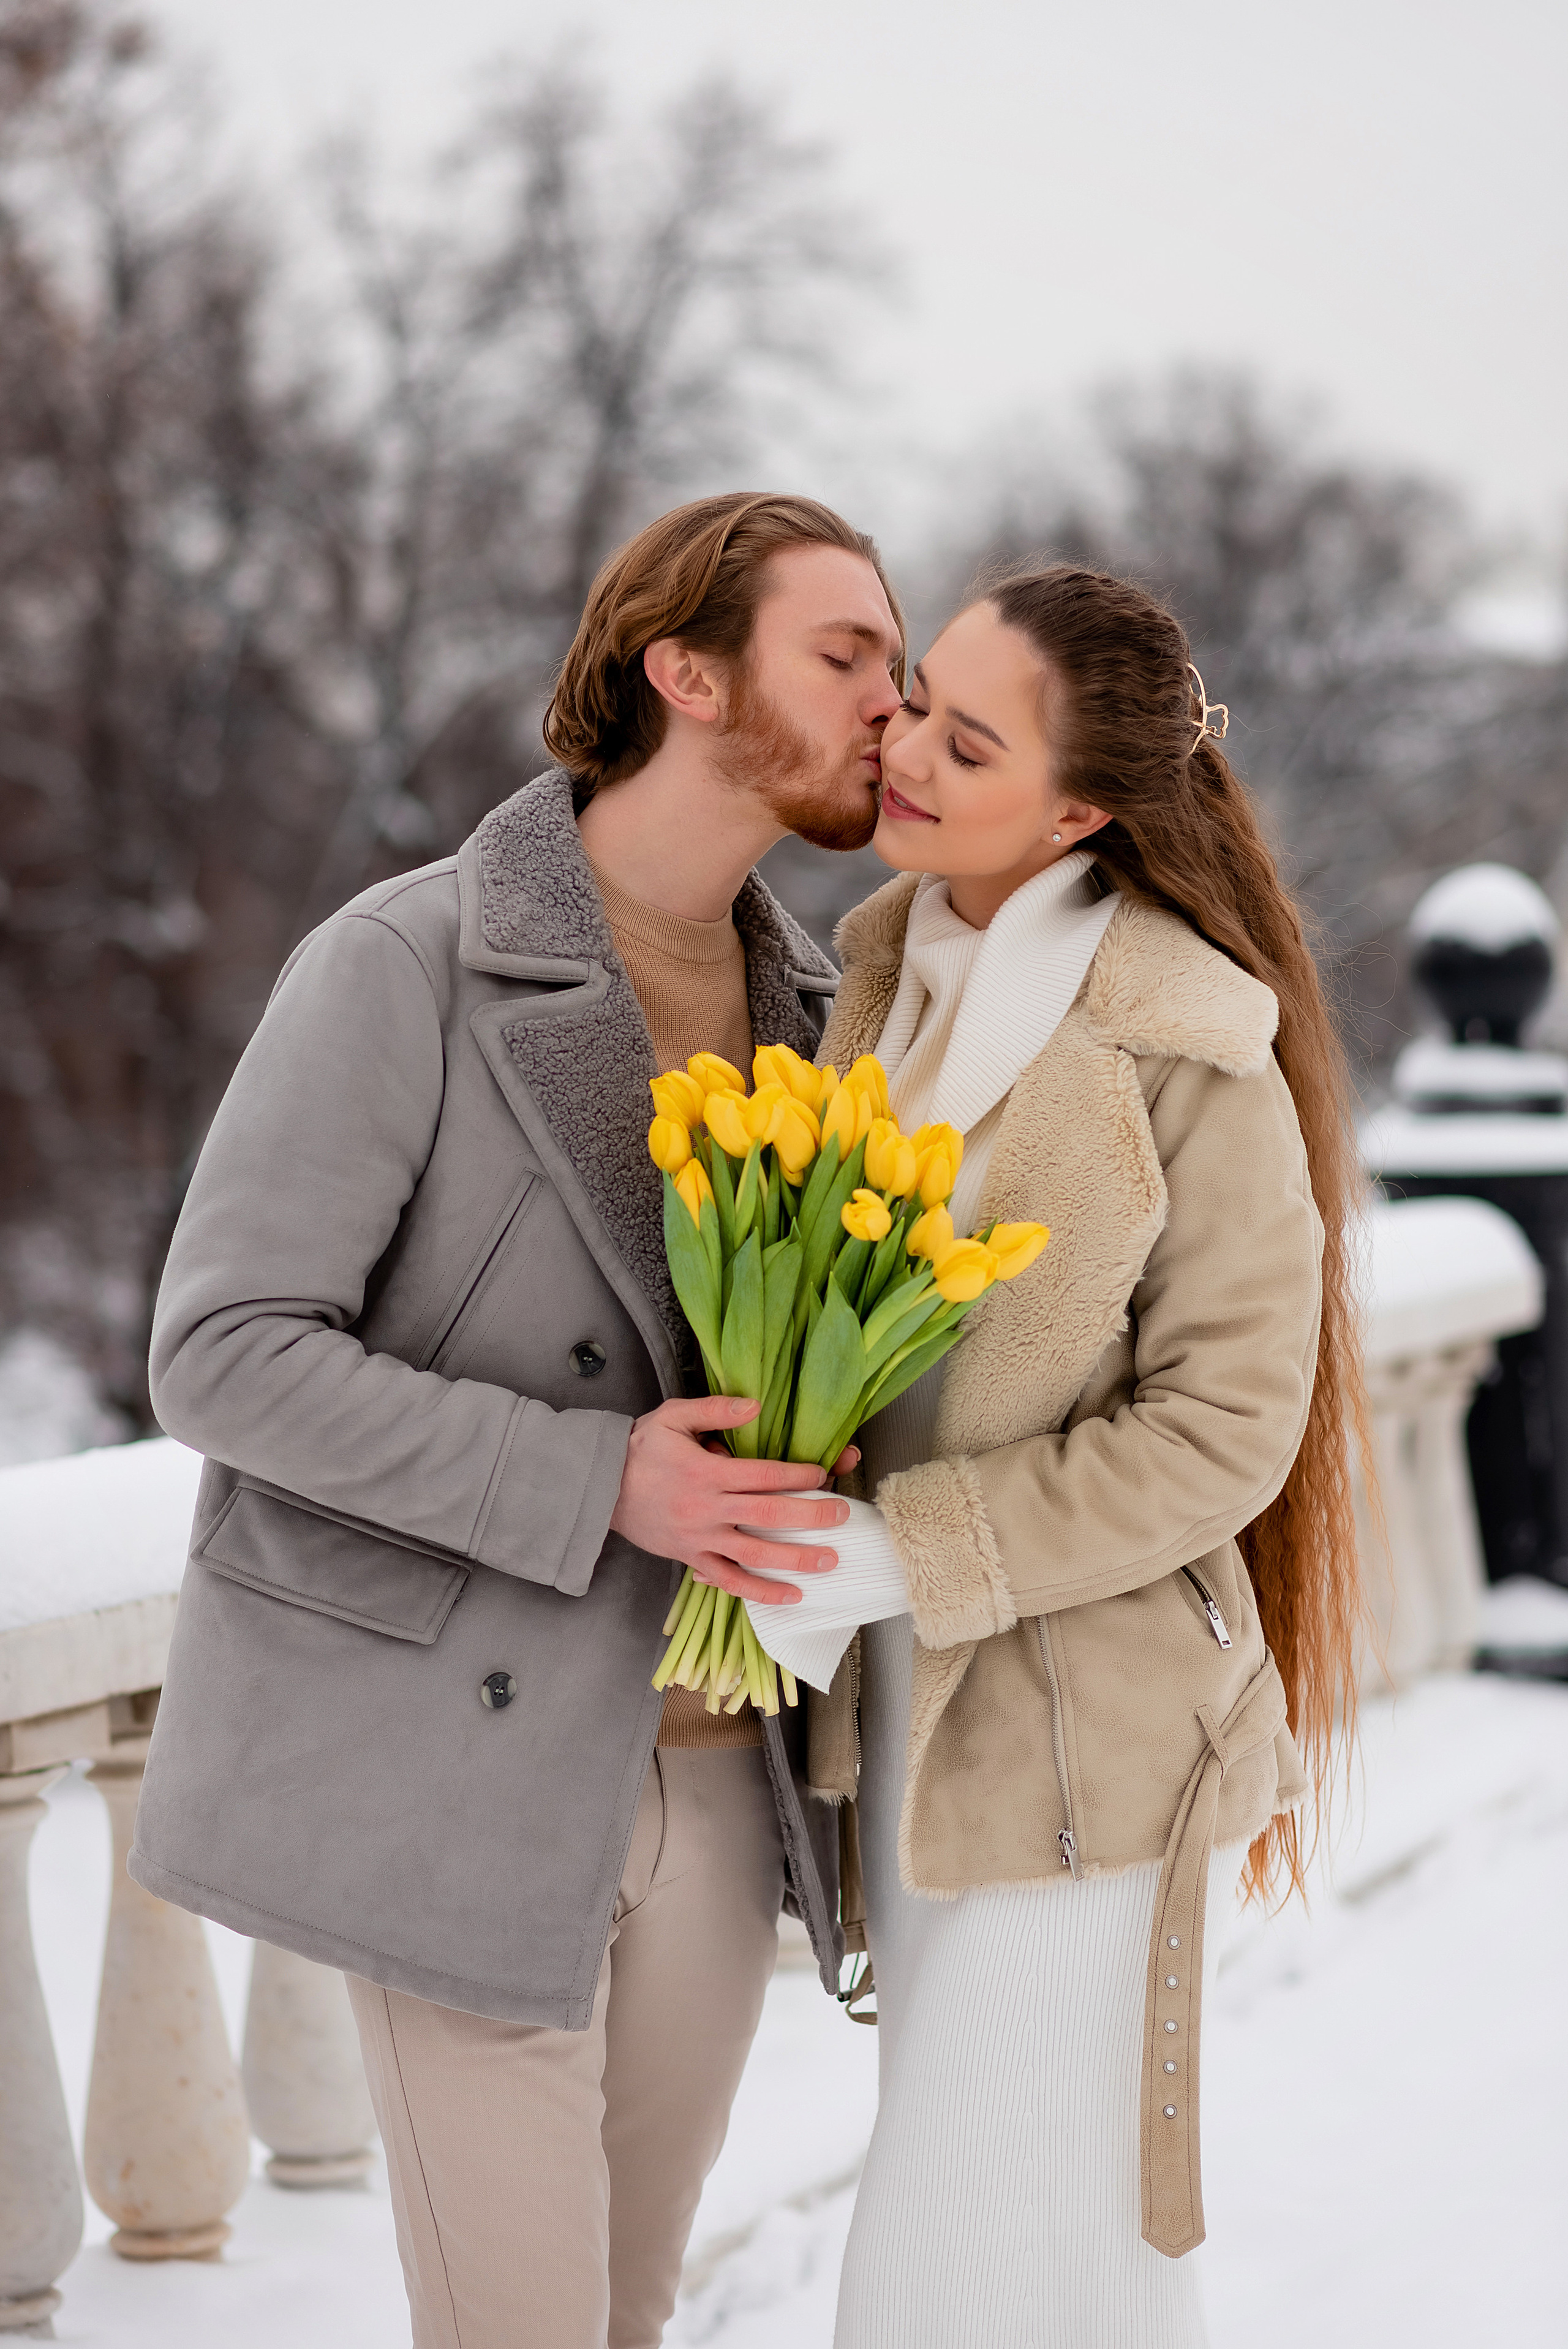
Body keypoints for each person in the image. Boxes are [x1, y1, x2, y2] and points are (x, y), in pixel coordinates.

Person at [130, 492, 905, 2349]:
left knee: (622, 2319)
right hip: (466, 1769)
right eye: (850, 652)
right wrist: (597, 1475)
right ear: (686, 670)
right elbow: (220, 1349)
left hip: (722, 1780)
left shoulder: (826, 1013)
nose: (900, 695)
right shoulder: (406, 965)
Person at [752, 565, 1368, 2348]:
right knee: (1064, 2262)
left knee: (946, 2272)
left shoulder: (1183, 1039)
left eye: (968, 735)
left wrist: (911, 1547)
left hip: (1086, 1751)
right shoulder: (877, 981)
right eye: (916, 696)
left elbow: (1227, 1426)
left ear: (1084, 806)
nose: (908, 747)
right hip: (912, 1722)